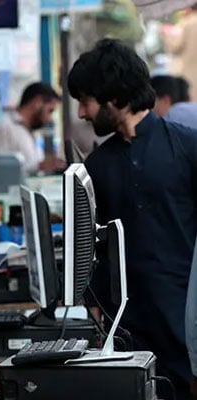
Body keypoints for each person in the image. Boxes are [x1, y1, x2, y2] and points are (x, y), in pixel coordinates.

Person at [68, 38, 197, 400]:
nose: (81, 113)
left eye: (85, 101)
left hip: (187, 329)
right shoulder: (96, 166)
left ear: (113, 97)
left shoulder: (188, 148)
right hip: (126, 339)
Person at [0, 82, 65, 174]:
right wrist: (40, 166)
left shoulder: (29, 131)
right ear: (37, 102)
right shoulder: (5, 128)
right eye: (50, 111)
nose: (49, 119)